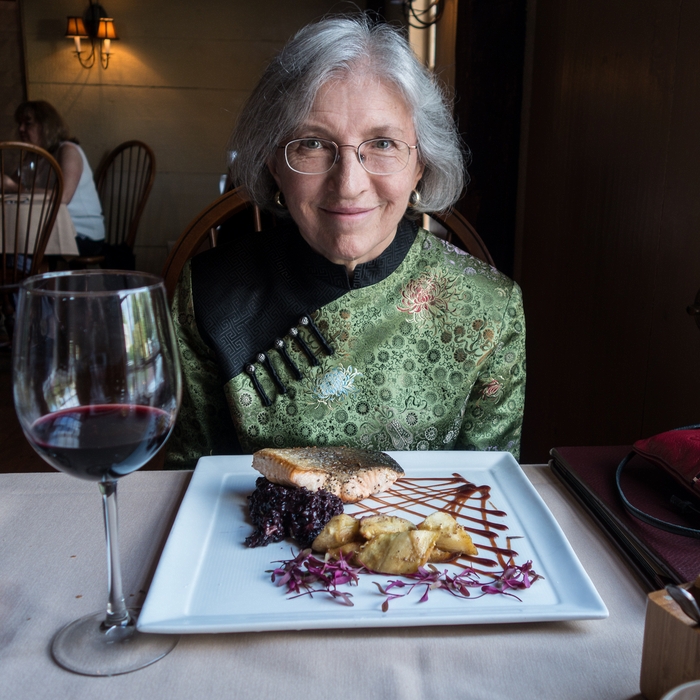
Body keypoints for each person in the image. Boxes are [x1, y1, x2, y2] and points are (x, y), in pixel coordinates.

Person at [165, 15, 526, 469]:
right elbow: (187, 482)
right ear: (274, 163)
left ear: (421, 165)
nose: (349, 185)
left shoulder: (490, 310)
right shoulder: (207, 295)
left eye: (383, 143)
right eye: (313, 144)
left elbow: (488, 491)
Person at [5, 100, 105, 256]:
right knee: (11, 240)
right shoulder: (34, 157)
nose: (21, 129)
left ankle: (30, 277)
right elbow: (9, 186)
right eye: (20, 123)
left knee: (17, 245)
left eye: (28, 123)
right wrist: (8, 185)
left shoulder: (68, 150)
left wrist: (12, 187)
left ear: (46, 126)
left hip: (80, 233)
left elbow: (64, 196)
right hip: (48, 229)